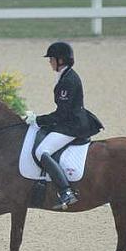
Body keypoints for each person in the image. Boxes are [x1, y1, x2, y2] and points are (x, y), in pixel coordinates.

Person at [25, 41, 104, 210]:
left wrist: (38, 120)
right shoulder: (65, 75)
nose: (49, 62)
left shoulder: (68, 80)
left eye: (51, 59)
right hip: (69, 121)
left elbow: (62, 114)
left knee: (41, 151)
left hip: (73, 125)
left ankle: (66, 192)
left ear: (60, 60)